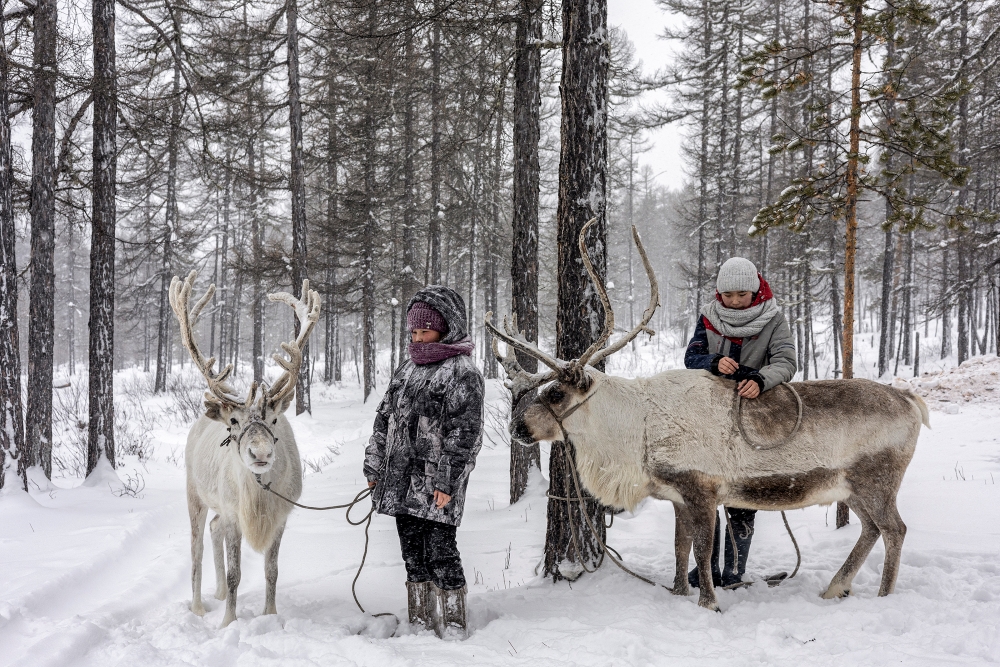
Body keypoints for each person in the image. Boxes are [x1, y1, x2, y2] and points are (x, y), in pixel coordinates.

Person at [363, 286, 484, 638]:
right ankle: (420, 620)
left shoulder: (463, 373)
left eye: (425, 331)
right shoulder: (407, 369)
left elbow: (464, 435)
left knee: (441, 553)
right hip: (400, 483)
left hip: (436, 487)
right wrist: (374, 467)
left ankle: (455, 623)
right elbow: (384, 419)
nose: (418, 338)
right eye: (413, 332)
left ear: (447, 329)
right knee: (412, 554)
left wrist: (447, 483)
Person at [684, 257, 796, 588]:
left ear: (755, 290)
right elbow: (691, 358)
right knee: (704, 491)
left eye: (741, 295)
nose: (734, 301)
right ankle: (705, 569)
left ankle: (734, 572)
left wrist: (762, 380)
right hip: (710, 414)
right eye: (728, 295)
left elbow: (786, 361)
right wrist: (713, 362)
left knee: (741, 493)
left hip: (755, 412)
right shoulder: (708, 316)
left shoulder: (774, 318)